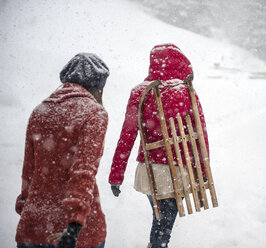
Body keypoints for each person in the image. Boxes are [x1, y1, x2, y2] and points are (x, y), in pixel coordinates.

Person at [109, 43, 209, 248]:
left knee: (161, 217)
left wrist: (116, 175)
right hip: (179, 168)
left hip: (150, 169)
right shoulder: (187, 91)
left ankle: (157, 244)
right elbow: (200, 133)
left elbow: (127, 135)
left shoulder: (140, 92)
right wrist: (203, 171)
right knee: (164, 222)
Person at [15, 53, 110, 248]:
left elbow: (29, 169)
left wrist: (26, 205)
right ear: (98, 85)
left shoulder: (40, 110)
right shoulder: (94, 113)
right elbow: (84, 171)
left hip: (34, 224)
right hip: (75, 230)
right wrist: (75, 222)